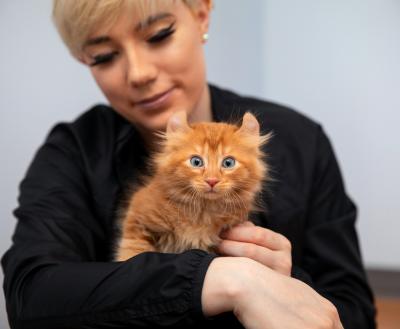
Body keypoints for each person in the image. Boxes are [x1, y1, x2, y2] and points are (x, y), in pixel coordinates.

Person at [1, 0, 376, 328]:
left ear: (202, 14)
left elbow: (354, 310)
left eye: (159, 34)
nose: (139, 73)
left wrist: (288, 280)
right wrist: (223, 280)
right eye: (104, 55)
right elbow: (30, 297)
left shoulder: (302, 141)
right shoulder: (72, 152)